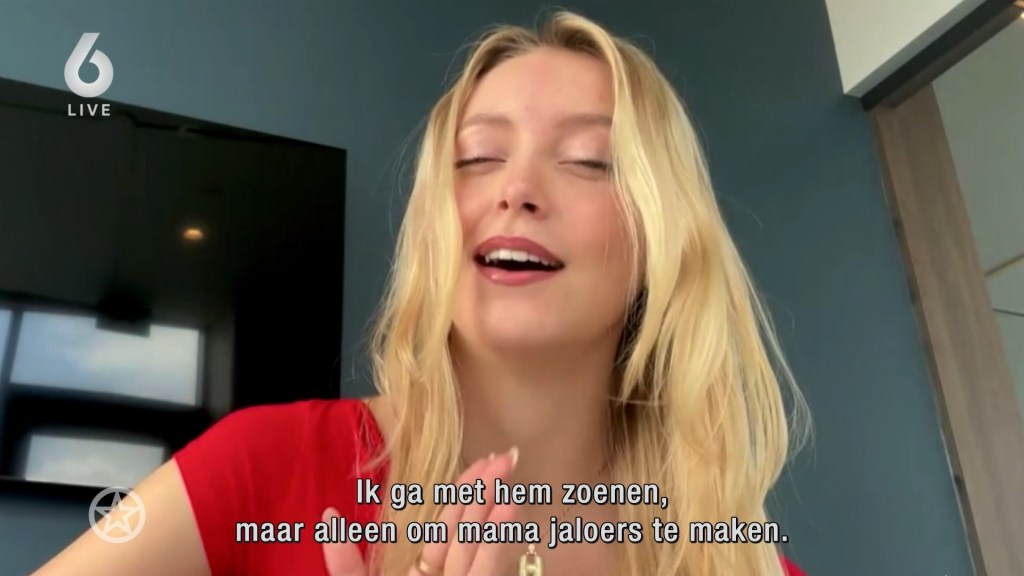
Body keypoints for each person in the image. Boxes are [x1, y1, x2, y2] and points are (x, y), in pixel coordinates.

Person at [34, 9, 810, 576]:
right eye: (477, 157)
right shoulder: (262, 464)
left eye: (586, 159)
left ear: (663, 237)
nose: (516, 189)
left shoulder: (740, 562)